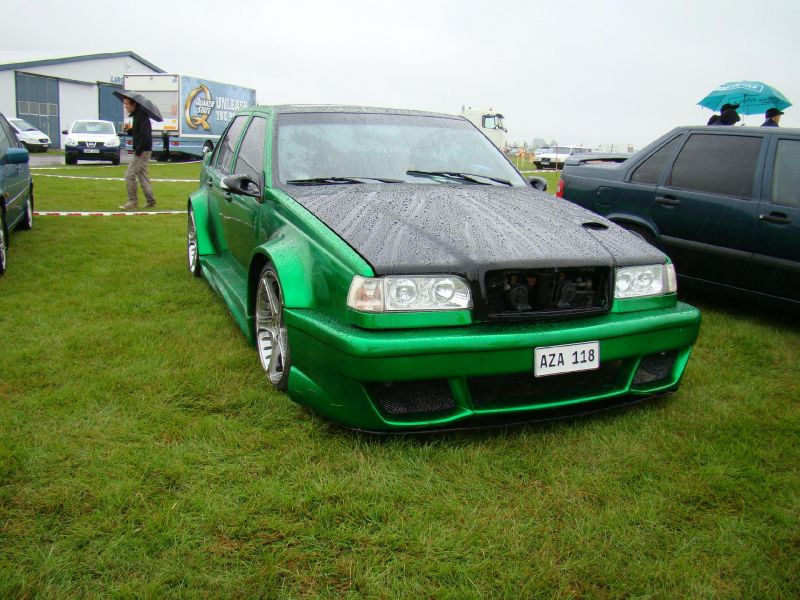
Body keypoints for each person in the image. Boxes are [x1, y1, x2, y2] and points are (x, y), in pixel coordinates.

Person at [120, 97, 156, 210]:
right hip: (144, 149)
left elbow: (145, 136)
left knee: (129, 174)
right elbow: (138, 133)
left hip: (142, 150)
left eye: (127, 104)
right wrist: (129, 130)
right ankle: (151, 201)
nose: (125, 106)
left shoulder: (141, 116)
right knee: (142, 175)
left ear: (134, 104)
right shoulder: (138, 116)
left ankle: (132, 201)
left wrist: (138, 151)